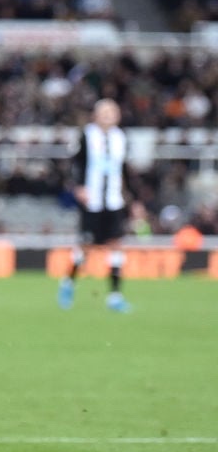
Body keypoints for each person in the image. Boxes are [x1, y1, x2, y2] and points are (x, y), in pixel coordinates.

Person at [58, 98, 133, 312]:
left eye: (113, 111)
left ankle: (115, 296)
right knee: (87, 246)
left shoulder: (121, 138)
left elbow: (124, 169)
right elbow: (75, 164)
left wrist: (131, 197)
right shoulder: (86, 136)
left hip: (114, 200)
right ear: (96, 115)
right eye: (105, 112)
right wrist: (79, 187)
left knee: (116, 244)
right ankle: (68, 282)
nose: (109, 115)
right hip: (92, 201)